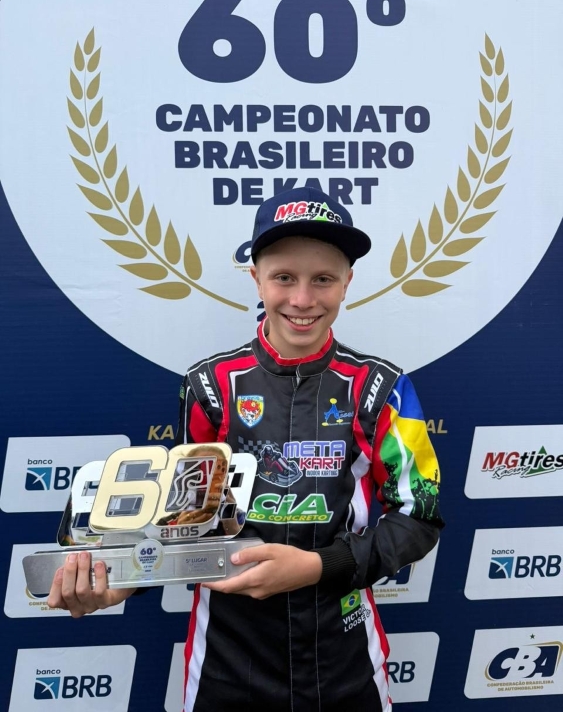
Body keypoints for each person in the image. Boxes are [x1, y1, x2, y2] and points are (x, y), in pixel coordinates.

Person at [48, 187, 444, 712]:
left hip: (344, 657)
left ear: (347, 282)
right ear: (256, 278)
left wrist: (317, 566)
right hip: (226, 662)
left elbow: (421, 515)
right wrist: (120, 583)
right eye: (284, 277)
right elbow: (181, 521)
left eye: (323, 279)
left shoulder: (383, 388)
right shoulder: (208, 386)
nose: (302, 300)